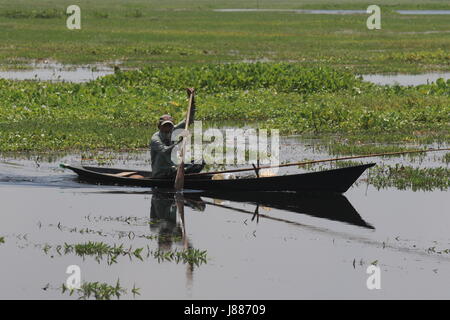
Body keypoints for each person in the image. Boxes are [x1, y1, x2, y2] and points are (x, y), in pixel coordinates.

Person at [149, 88, 204, 178]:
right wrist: (180, 141)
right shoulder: (155, 139)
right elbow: (165, 151)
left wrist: (192, 99)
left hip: (173, 169)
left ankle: (187, 175)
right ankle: (186, 174)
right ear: (159, 127)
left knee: (200, 161)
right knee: (189, 168)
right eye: (165, 126)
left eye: (169, 126)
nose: (167, 128)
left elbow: (189, 119)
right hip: (161, 174)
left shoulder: (173, 130)